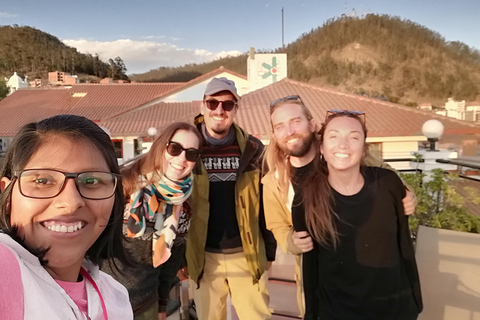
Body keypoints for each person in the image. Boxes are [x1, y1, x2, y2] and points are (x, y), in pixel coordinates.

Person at [263, 97, 422, 319]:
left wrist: (408, 194)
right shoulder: (273, 182)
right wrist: (292, 242)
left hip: (375, 281)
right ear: (274, 136)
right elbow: (277, 226)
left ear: (313, 125)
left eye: (295, 121)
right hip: (322, 278)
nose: (289, 131)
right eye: (280, 126)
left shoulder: (340, 152)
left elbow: (387, 177)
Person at [0, 114, 133, 320]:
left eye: (91, 181)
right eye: (43, 181)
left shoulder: (116, 297)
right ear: (7, 195)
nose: (70, 204)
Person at [186, 77, 277, 320]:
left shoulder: (254, 149)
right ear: (202, 106)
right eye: (213, 102)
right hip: (204, 257)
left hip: (247, 254)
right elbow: (175, 203)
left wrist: (269, 250)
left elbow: (267, 202)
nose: (219, 110)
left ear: (236, 108)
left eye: (227, 104)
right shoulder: (186, 149)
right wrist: (178, 257)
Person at [102, 122, 202, 320]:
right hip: (102, 301)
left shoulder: (184, 206)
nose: (181, 159)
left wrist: (162, 305)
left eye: (191, 154)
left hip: (145, 305)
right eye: (175, 148)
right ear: (161, 147)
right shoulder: (122, 186)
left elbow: (170, 263)